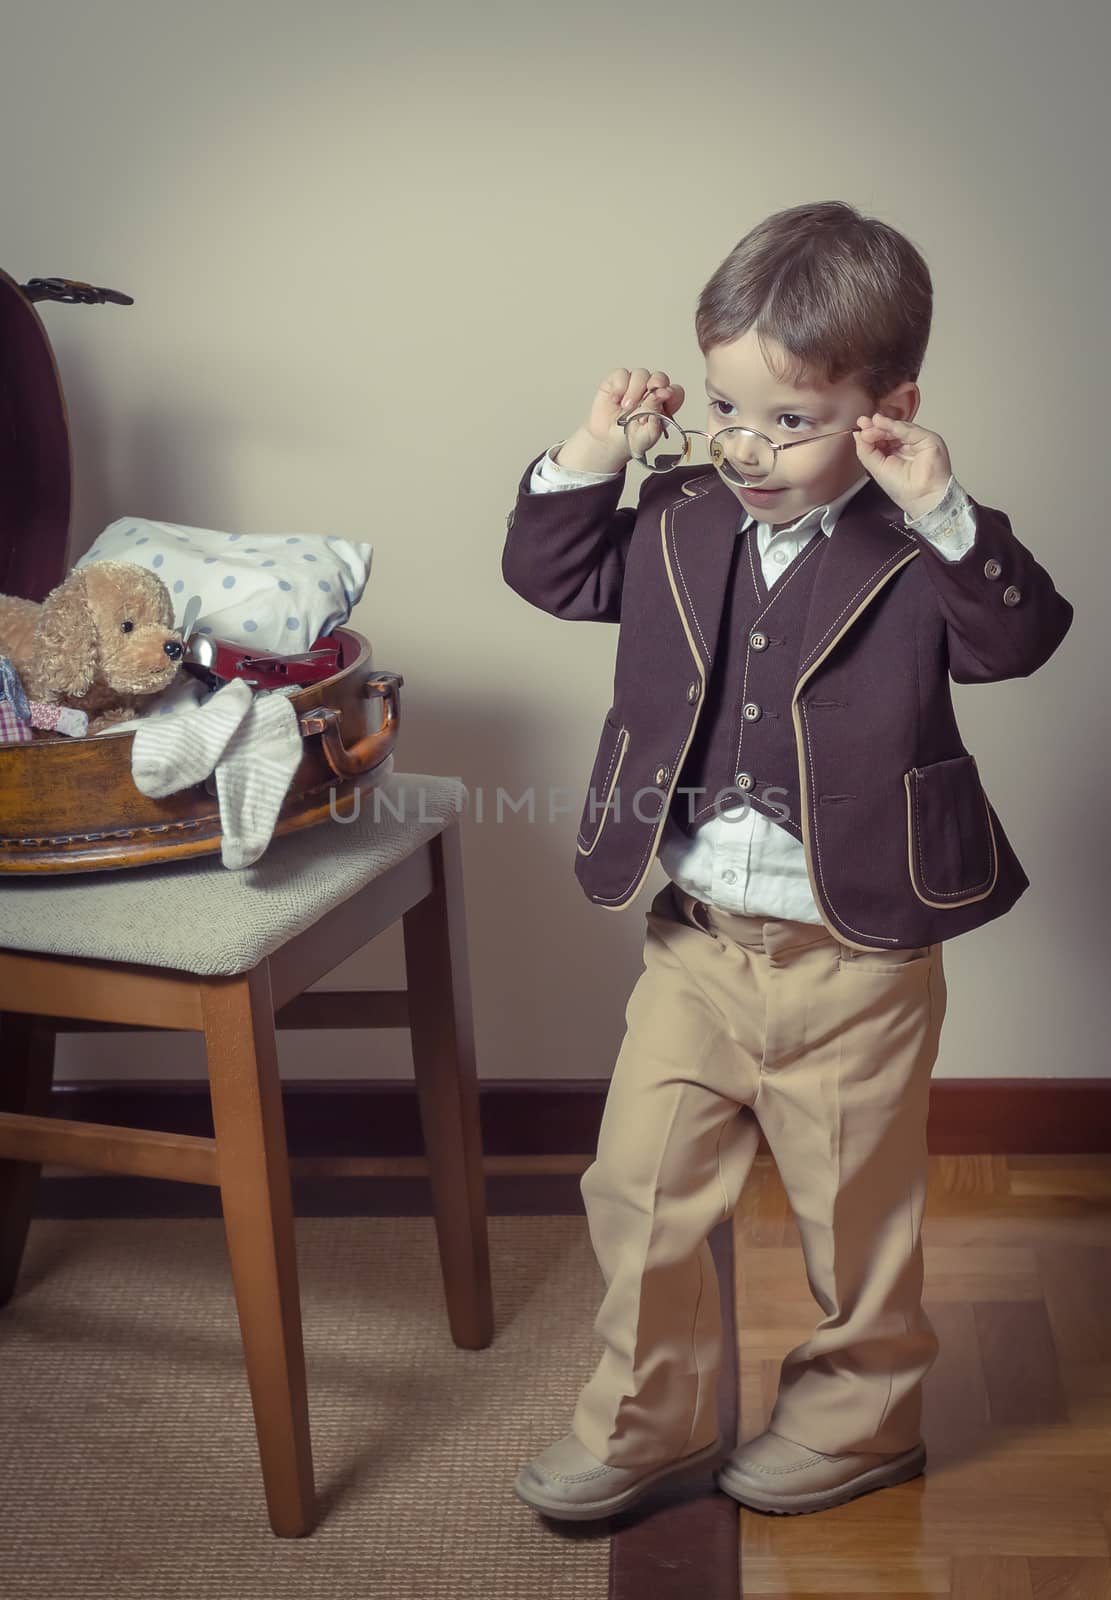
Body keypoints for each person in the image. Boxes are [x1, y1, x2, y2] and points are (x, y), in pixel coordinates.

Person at [501, 200, 1073, 1521]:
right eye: (725, 409)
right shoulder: (675, 514)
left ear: (889, 407)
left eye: (790, 421)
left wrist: (942, 506)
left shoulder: (919, 542)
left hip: (859, 956)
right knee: (635, 1192)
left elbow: (1020, 637)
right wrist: (596, 444)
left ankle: (857, 1423)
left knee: (853, 1220)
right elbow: (548, 570)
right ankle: (645, 1425)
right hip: (696, 945)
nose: (747, 447)